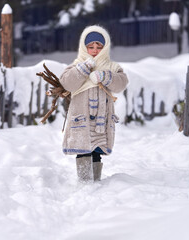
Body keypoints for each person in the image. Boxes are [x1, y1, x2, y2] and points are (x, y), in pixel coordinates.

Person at [59, 25, 128, 182]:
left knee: (97, 148)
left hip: (101, 119)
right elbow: (67, 83)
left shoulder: (112, 68)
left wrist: (106, 76)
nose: (95, 50)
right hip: (82, 118)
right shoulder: (76, 65)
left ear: (105, 48)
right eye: (91, 47)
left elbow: (121, 83)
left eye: (99, 47)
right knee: (83, 148)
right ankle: (84, 181)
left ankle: (95, 181)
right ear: (84, 47)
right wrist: (83, 69)